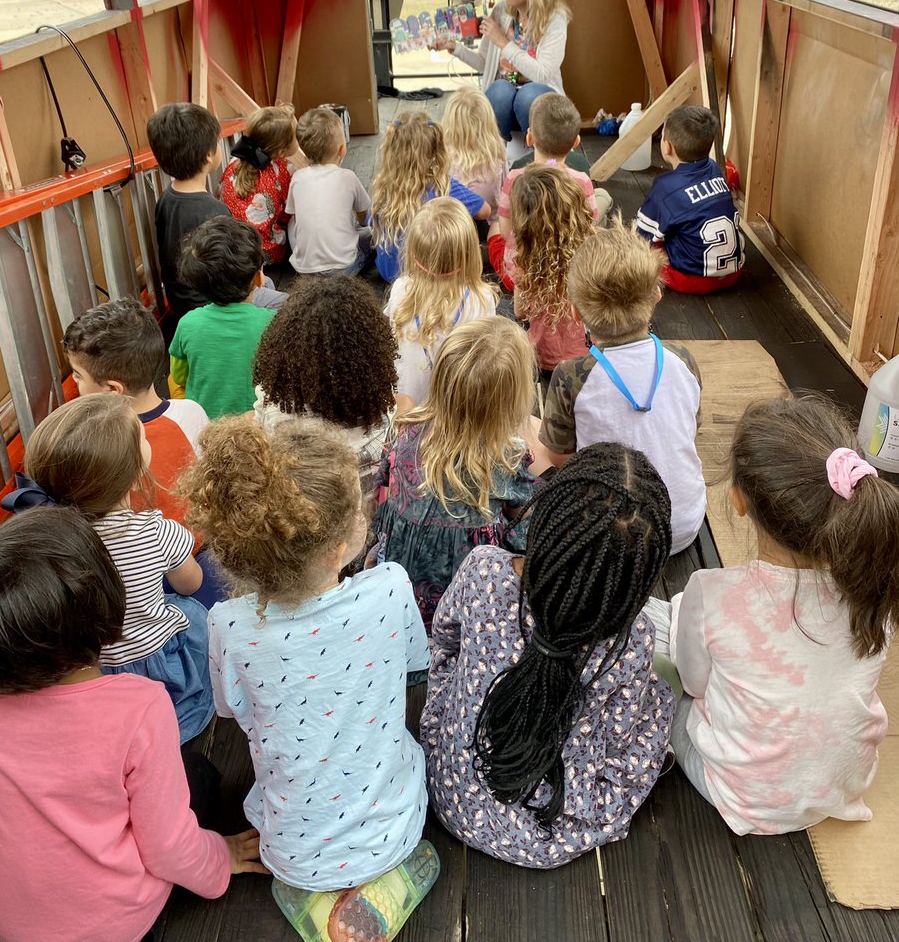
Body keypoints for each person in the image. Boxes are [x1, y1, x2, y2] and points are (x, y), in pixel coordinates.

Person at [180, 417, 440, 939]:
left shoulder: (228, 626)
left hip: (292, 844)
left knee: (287, 841)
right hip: (394, 824)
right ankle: (383, 888)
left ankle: (309, 893)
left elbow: (231, 710)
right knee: (423, 850)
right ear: (338, 547)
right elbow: (417, 662)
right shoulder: (390, 587)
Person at [0, 506, 263, 942]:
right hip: (114, 922)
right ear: (106, 606)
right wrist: (221, 858)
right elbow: (168, 848)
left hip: (15, 924)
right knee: (200, 773)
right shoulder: (138, 708)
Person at [644, 395, 899, 835]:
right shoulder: (874, 590)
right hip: (841, 786)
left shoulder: (713, 591)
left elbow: (693, 683)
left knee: (653, 626)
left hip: (741, 795)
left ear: (739, 501)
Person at [422, 443, 674, 866]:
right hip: (546, 835)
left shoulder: (484, 570)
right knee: (661, 699)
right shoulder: (629, 645)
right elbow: (616, 742)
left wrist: (443, 713)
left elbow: (445, 643)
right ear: (637, 581)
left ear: (545, 523)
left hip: (450, 791)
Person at [10, 394, 213, 743]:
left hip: (93, 668)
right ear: (135, 478)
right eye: (142, 438)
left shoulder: (49, 545)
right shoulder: (157, 531)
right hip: (156, 661)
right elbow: (191, 584)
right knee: (190, 610)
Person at [540, 219, 706, 554]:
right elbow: (692, 428)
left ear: (574, 311)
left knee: (531, 434)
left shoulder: (572, 375)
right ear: (657, 295)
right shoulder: (682, 360)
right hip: (683, 525)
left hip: (610, 535)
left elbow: (558, 457)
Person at [373, 317, 541, 634]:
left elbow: (385, 477)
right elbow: (524, 528)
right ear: (511, 401)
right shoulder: (504, 457)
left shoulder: (406, 429)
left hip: (400, 576)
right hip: (465, 586)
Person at [62, 297, 208, 532]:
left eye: (78, 376)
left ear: (112, 389)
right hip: (198, 542)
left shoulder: (95, 445)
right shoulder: (191, 412)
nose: (75, 382)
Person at [252, 276, 397, 504]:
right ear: (371, 354)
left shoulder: (274, 409)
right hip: (366, 524)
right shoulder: (386, 419)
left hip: (298, 516)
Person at [433, 0, 571, 141]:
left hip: (540, 109)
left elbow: (542, 74)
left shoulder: (554, 19)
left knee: (528, 95)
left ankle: (541, 160)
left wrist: (503, 42)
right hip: (504, 108)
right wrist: (454, 47)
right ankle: (498, 155)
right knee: (500, 89)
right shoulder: (501, 11)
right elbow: (483, 63)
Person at [489, 91, 610, 291]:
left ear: (529, 138)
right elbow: (589, 227)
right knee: (603, 198)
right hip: (569, 278)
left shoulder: (515, 178)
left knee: (494, 229)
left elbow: (505, 230)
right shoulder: (582, 180)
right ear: (576, 142)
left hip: (523, 280)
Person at [385, 197, 497, 413]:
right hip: (457, 406)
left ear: (414, 253)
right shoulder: (482, 298)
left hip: (407, 405)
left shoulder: (401, 289)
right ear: (470, 253)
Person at [170, 215, 274, 417]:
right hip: (257, 427)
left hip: (206, 429)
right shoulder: (274, 322)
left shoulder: (187, 324)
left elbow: (179, 376)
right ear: (259, 278)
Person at [635, 104, 744, 294]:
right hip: (734, 273)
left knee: (650, 240)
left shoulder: (665, 186)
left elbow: (641, 236)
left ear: (667, 147)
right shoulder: (715, 168)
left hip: (691, 280)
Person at [370, 112, 491, 283]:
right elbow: (485, 211)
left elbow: (369, 222)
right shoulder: (442, 186)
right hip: (425, 275)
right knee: (479, 223)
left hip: (388, 275)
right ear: (435, 149)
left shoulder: (382, 187)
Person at [147, 102, 231, 323]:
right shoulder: (215, 212)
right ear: (208, 156)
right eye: (218, 142)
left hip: (180, 305)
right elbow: (230, 274)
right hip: (211, 309)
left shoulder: (165, 200)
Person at [508, 165, 596, 374]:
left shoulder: (523, 263)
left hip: (543, 358)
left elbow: (520, 312)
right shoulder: (593, 254)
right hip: (588, 354)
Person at [285, 106, 372, 276]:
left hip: (306, 270)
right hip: (344, 268)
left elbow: (297, 218)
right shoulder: (348, 177)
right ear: (342, 149)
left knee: (291, 223)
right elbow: (364, 218)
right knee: (370, 234)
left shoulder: (297, 178)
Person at [219, 104, 303, 265]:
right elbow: (290, 209)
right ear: (281, 152)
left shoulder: (233, 164)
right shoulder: (283, 170)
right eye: (296, 135)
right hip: (267, 252)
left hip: (236, 249)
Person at [441, 86, 508, 224]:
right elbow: (505, 196)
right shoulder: (497, 155)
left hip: (452, 230)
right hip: (491, 228)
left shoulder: (441, 156)